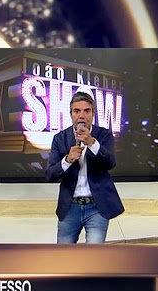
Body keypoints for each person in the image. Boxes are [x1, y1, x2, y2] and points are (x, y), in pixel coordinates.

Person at [45, 91, 124, 244]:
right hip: (69, 208)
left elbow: (111, 163)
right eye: (77, 111)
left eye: (87, 111)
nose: (82, 116)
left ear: (93, 114)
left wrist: (92, 144)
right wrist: (67, 160)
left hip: (97, 208)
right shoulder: (60, 139)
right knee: (63, 256)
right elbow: (50, 174)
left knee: (93, 255)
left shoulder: (104, 135)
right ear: (71, 114)